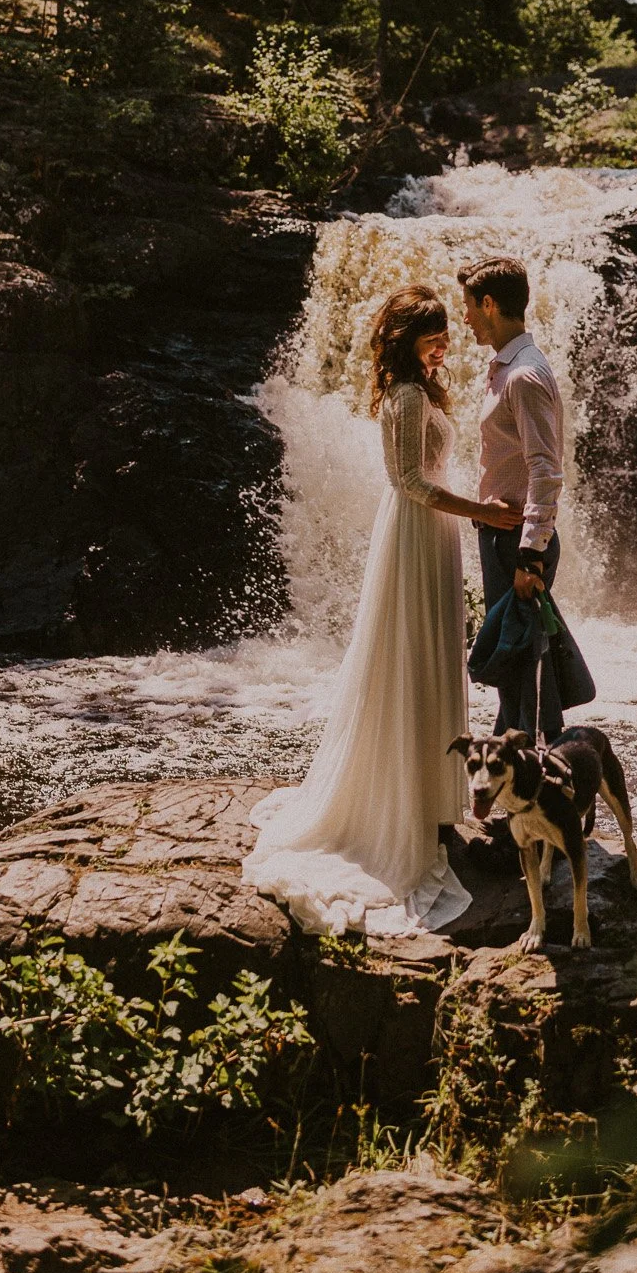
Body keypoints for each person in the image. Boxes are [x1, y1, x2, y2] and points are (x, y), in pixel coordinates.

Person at [242, 284, 521, 936]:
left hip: (434, 537)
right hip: (413, 535)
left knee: (429, 655)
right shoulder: (400, 397)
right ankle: (400, 800)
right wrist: (480, 511)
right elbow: (411, 485)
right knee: (408, 654)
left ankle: (427, 795)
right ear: (405, 340)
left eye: (444, 336)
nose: (443, 346)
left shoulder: (423, 389)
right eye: (432, 337)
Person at [459, 254, 567, 739]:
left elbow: (546, 469)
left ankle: (544, 786)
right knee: (515, 670)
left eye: (468, 307)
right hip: (503, 539)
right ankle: (516, 791)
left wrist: (529, 554)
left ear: (488, 304)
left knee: (522, 677)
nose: (463, 319)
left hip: (515, 545)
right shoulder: (509, 368)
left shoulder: (522, 375)